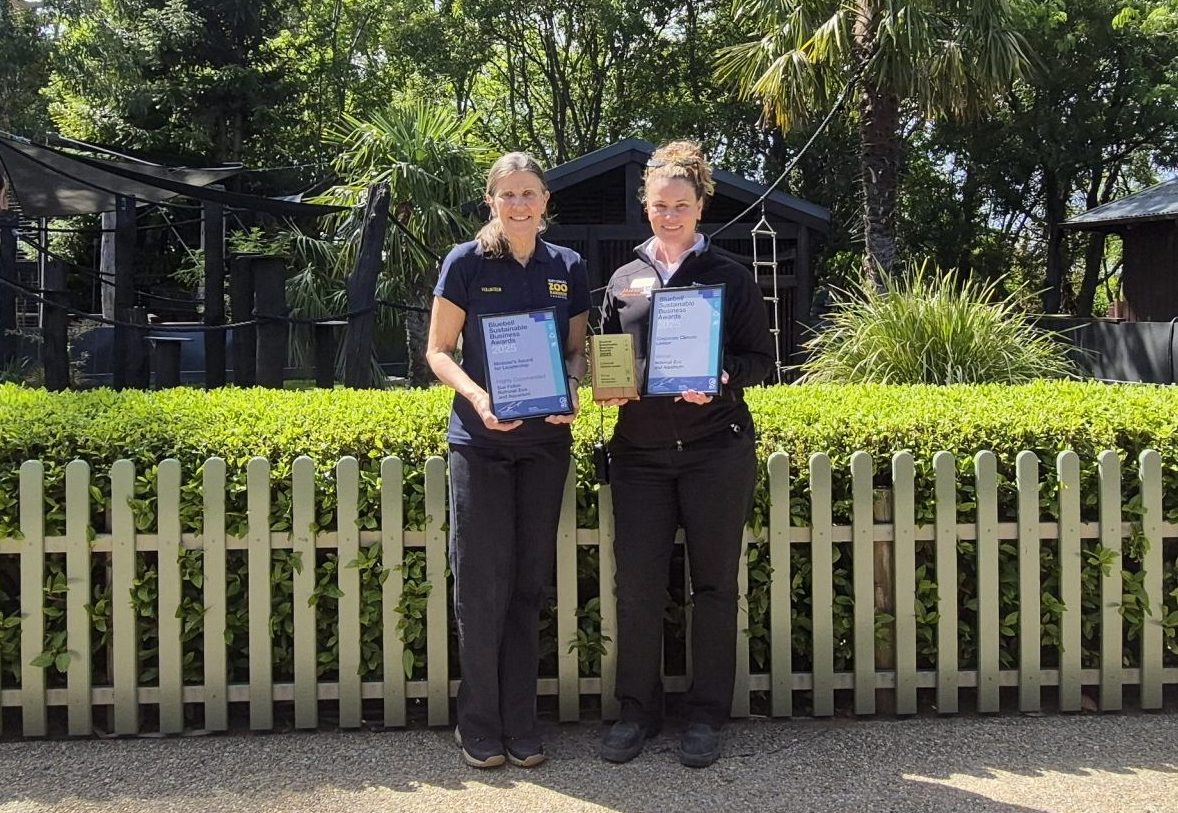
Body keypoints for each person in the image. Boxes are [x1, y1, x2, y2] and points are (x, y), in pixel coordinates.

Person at [596, 140, 773, 768]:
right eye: (659, 205)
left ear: (700, 207)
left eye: (680, 205)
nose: (669, 216)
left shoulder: (729, 275)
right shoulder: (623, 280)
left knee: (714, 584)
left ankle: (705, 716)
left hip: (714, 452)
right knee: (638, 586)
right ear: (645, 206)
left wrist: (721, 377)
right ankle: (636, 712)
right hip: (640, 456)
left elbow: (761, 361)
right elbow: (610, 355)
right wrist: (609, 386)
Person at [426, 152, 589, 769]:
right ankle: (479, 723)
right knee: (480, 585)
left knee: (528, 583)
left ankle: (522, 722)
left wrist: (572, 386)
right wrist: (477, 396)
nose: (519, 205)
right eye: (508, 194)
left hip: (545, 445)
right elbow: (439, 351)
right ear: (491, 201)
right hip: (481, 442)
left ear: (546, 200)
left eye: (529, 193)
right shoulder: (465, 263)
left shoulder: (567, 266)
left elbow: (575, 352)